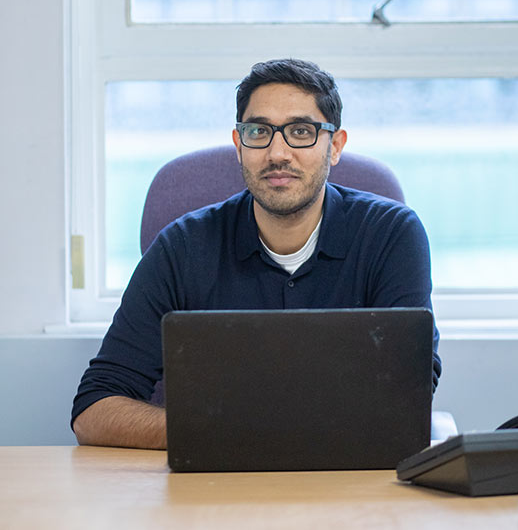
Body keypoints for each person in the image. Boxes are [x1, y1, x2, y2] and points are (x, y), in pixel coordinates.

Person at [72, 58, 441, 449]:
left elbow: (408, 391)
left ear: (334, 146)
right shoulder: (182, 247)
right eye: (258, 131)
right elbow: (93, 410)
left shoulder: (390, 235)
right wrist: (227, 433)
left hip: (346, 480)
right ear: (239, 145)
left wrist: (261, 430)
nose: (277, 153)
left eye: (301, 131)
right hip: (215, 487)